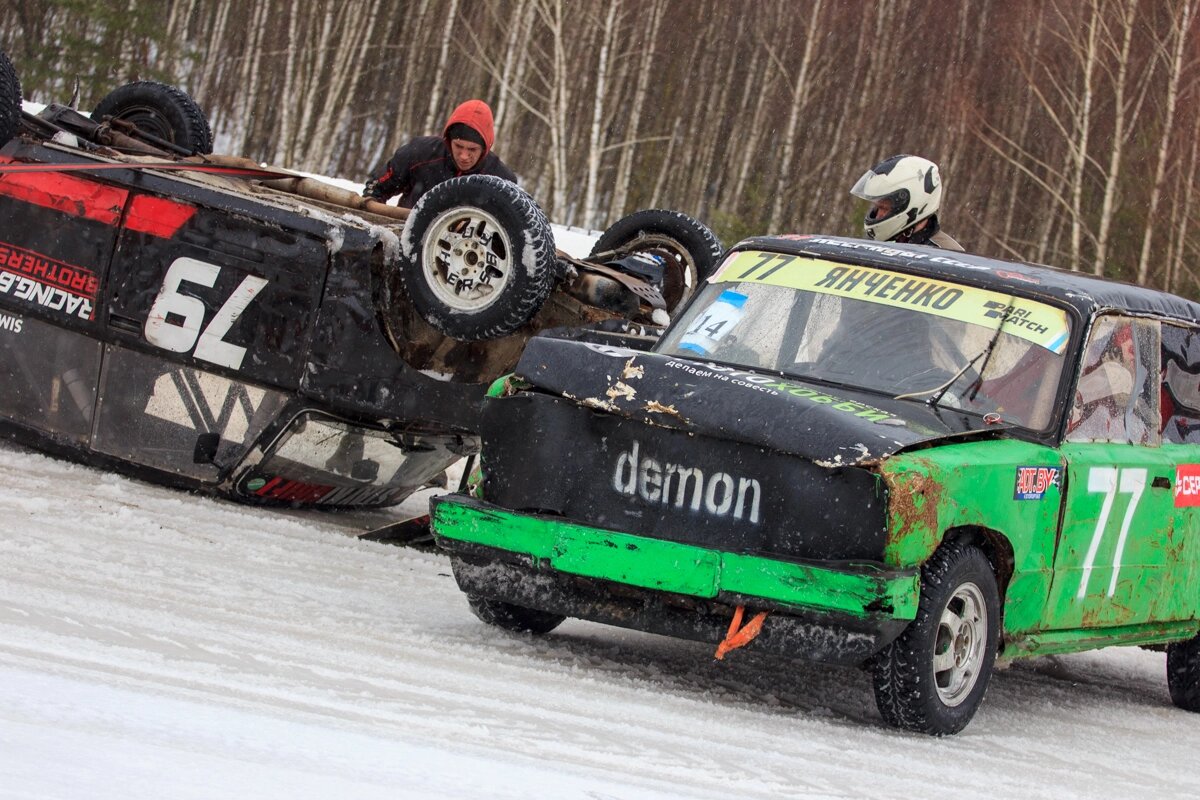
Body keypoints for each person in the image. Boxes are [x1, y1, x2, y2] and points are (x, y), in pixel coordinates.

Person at [362, 99, 517, 208]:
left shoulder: (501, 181)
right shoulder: (420, 153)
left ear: (484, 148)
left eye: (472, 149)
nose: (464, 156)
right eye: (458, 146)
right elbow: (376, 188)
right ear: (449, 140)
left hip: (465, 244)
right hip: (406, 234)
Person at [850, 154, 964, 251]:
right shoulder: (872, 246)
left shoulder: (948, 256)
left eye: (884, 208)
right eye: (877, 207)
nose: (878, 215)